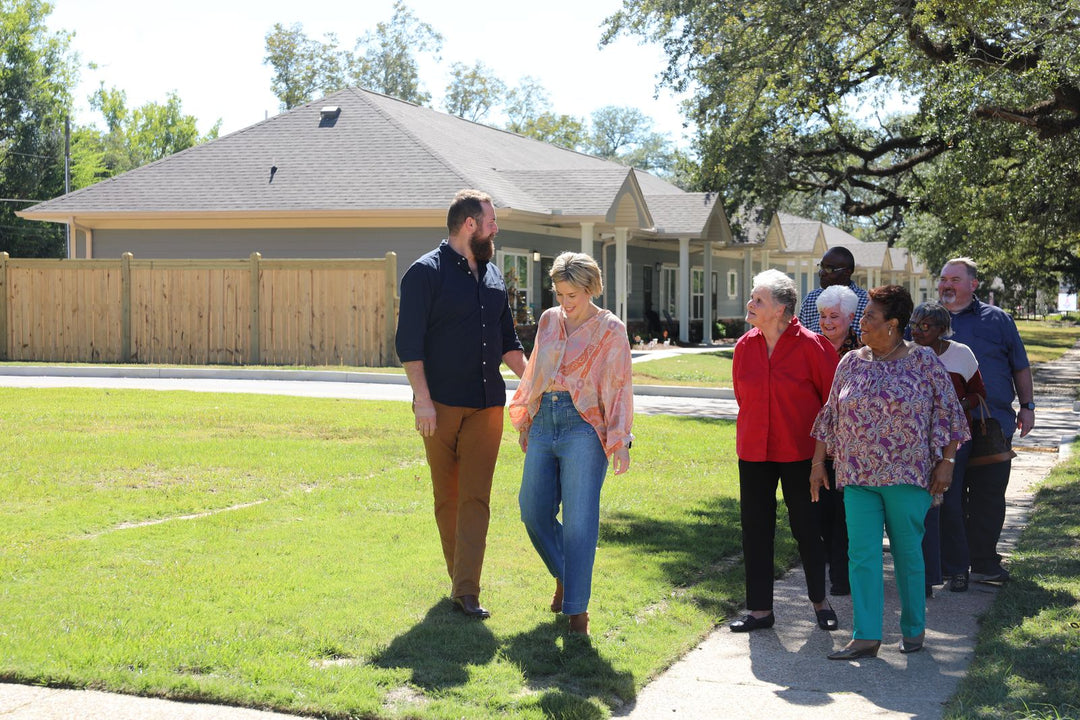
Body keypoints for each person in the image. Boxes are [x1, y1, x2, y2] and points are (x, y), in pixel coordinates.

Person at [811, 286, 970, 660]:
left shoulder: (924, 361)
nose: (861, 323)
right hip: (857, 477)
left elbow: (949, 413)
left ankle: (913, 629)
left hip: (908, 476)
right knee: (861, 556)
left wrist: (946, 463)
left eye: (869, 317)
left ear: (893, 324)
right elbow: (831, 413)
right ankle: (866, 635)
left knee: (906, 554)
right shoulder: (850, 361)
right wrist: (818, 463)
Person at [395, 189, 527, 620]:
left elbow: (509, 344)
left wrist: (536, 385)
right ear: (469, 224)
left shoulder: (492, 276)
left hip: (487, 405)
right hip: (440, 405)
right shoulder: (423, 274)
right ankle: (459, 580)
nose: (495, 228)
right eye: (490, 221)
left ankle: (467, 589)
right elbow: (409, 346)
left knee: (476, 497)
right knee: (447, 497)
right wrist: (423, 402)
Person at [509, 252, 634, 637]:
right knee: (532, 509)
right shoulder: (549, 320)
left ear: (590, 289)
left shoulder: (610, 329)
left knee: (580, 523)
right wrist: (526, 418)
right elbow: (535, 372)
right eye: (560, 294)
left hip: (584, 427)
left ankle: (576, 611)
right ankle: (566, 572)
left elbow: (618, 386)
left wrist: (620, 440)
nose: (565, 303)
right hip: (545, 420)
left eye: (573, 295)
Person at [729, 269, 838, 633]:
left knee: (807, 528)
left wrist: (821, 459)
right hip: (754, 452)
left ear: (780, 309)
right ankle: (760, 611)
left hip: (801, 456)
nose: (750, 304)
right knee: (755, 529)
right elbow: (743, 398)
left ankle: (820, 602)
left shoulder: (813, 346)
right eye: (752, 297)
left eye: (758, 300)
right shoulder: (744, 346)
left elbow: (832, 404)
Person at [938, 257, 1034, 584]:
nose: (946, 285)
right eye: (943, 279)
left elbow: (1019, 365)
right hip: (942, 428)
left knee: (988, 496)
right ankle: (952, 566)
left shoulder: (998, 320)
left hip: (991, 423)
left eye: (954, 279)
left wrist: (1028, 406)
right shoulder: (925, 320)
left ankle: (984, 564)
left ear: (973, 284)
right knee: (947, 497)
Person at [910, 301, 986, 593]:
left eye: (925, 326)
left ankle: (958, 569)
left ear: (942, 330)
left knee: (950, 503)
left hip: (955, 439)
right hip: (917, 441)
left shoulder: (961, 354)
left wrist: (951, 407)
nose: (916, 331)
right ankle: (927, 573)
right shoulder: (907, 353)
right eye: (913, 324)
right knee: (921, 507)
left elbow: (979, 394)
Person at [814, 284, 862, 596]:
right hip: (814, 445)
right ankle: (826, 572)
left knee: (847, 518)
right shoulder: (811, 346)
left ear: (850, 317)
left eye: (835, 316)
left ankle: (841, 581)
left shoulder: (862, 351)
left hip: (851, 448)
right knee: (820, 515)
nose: (828, 322)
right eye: (823, 316)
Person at [798, 246, 870, 335]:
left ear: (847, 272)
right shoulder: (811, 299)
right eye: (821, 267)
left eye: (829, 269)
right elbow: (800, 337)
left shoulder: (866, 303)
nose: (822, 273)